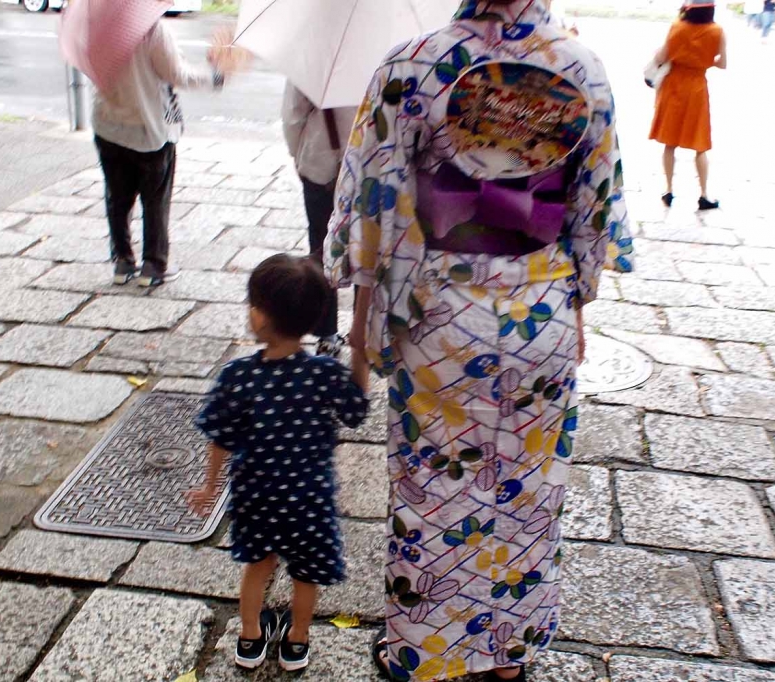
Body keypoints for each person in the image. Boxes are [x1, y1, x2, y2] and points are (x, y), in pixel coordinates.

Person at [325, 1, 633, 680]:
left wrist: (363, 321)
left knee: (431, 487)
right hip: (539, 312)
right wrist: (575, 302)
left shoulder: (411, 64)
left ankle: (427, 649)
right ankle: (506, 655)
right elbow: (593, 209)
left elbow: (374, 203)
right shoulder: (581, 67)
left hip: (441, 317)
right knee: (526, 491)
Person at [186, 254, 369, 673]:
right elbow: (357, 411)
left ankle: (250, 636)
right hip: (309, 502)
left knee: (258, 566)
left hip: (257, 498)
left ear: (259, 316)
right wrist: (360, 354)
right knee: (306, 575)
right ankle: (297, 641)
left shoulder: (238, 376)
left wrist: (210, 486)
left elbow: (221, 437)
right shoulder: (324, 374)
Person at [92, 19, 224, 287]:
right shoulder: (151, 28)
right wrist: (216, 75)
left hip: (108, 125)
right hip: (149, 128)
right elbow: (178, 75)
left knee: (117, 198)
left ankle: (122, 261)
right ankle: (153, 264)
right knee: (155, 200)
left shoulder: (97, 23)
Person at [282, 85, 359, 357]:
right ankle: (364, 330)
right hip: (368, 168)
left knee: (321, 246)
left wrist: (297, 154)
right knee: (366, 247)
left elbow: (293, 116)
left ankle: (327, 333)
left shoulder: (313, 56)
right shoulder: (384, 51)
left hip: (320, 163)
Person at [649, 1, 727, 210]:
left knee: (669, 142)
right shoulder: (717, 31)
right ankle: (703, 194)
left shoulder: (677, 26)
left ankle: (668, 190)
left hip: (673, 86)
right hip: (697, 88)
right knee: (700, 144)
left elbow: (662, 56)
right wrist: (705, 60)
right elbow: (723, 63)